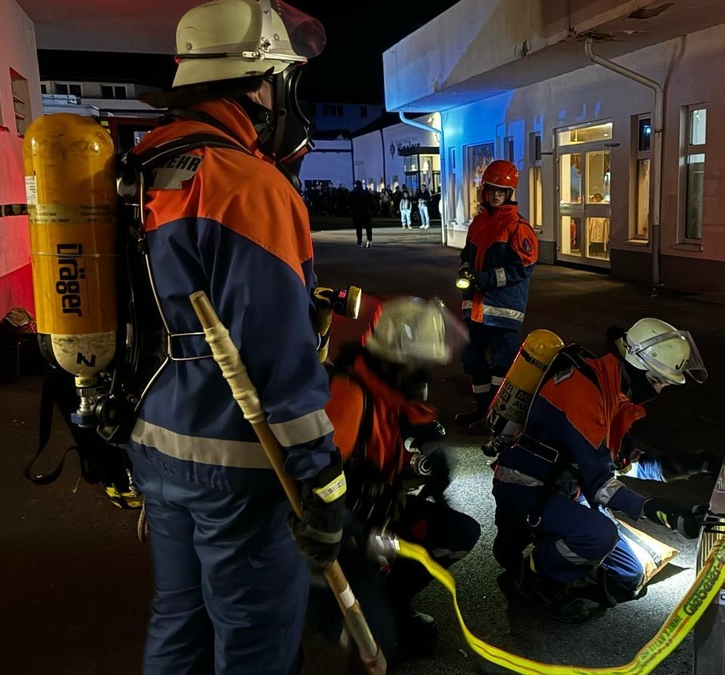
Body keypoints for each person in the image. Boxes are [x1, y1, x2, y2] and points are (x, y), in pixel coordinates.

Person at [125, 1, 344, 672]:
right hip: (241, 463)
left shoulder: (139, 166)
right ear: (261, 84)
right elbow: (281, 359)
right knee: (252, 635)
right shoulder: (249, 187)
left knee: (178, 618)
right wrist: (323, 483)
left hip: (153, 443)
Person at [491, 318, 710, 623]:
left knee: (628, 576)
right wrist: (663, 512)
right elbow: (602, 485)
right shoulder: (583, 394)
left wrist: (692, 465)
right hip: (527, 489)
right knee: (598, 535)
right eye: (658, 381)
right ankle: (536, 576)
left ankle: (545, 543)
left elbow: (620, 462)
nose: (659, 391)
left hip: (564, 487)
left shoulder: (611, 390)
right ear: (638, 368)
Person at [311, 297, 480, 663]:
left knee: (459, 532)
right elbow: (311, 487)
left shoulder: (388, 388)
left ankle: (389, 600)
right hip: (342, 532)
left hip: (380, 514)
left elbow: (410, 422)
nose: (424, 372)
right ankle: (327, 604)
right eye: (419, 362)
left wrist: (430, 452)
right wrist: (356, 530)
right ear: (396, 357)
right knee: (378, 647)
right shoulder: (350, 395)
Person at [454, 160, 539, 433]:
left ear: (510, 193)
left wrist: (486, 279)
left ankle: (495, 421)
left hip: (504, 310)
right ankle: (482, 412)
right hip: (477, 307)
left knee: (502, 367)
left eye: (501, 191)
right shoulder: (479, 222)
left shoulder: (518, 228)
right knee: (472, 360)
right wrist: (466, 269)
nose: (495, 195)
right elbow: (466, 255)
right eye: (491, 190)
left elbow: (522, 269)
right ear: (485, 190)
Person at [351, 180, 374, 247]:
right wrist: (371, 211)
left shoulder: (352, 193)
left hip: (357, 213)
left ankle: (359, 242)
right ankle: (369, 241)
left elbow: (350, 204)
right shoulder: (366, 193)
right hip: (366, 212)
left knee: (358, 228)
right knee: (368, 228)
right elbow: (371, 202)